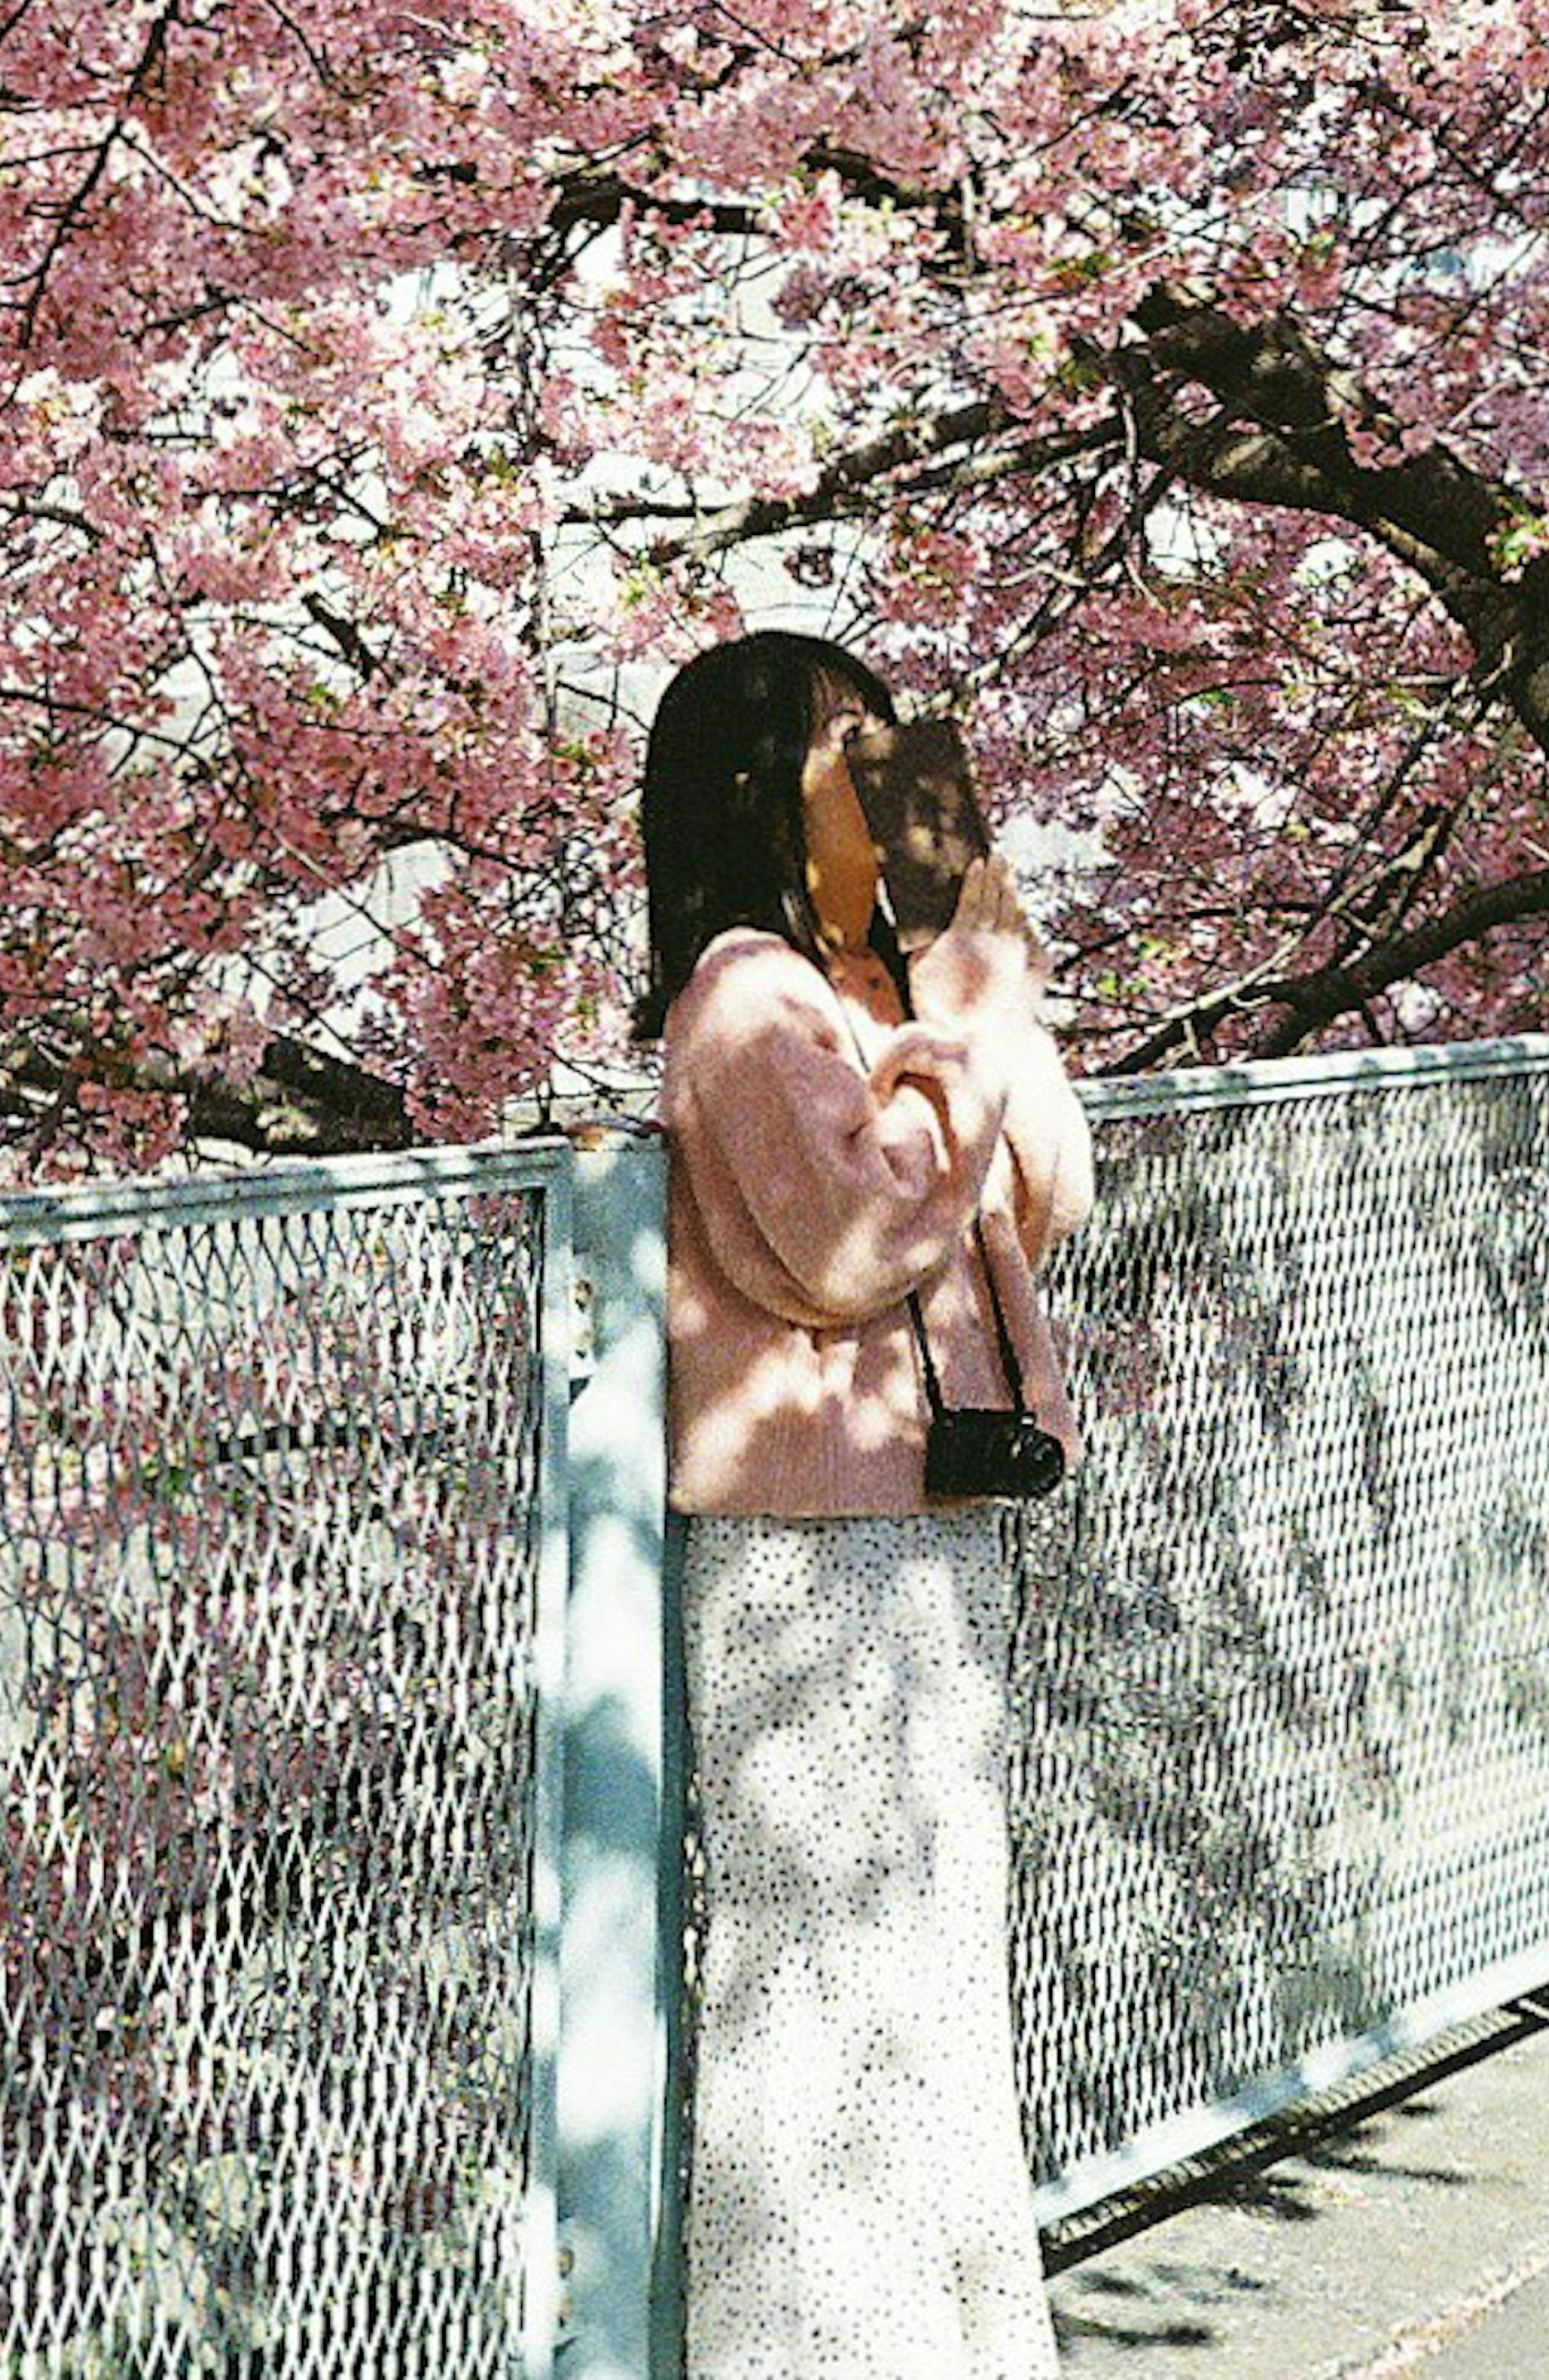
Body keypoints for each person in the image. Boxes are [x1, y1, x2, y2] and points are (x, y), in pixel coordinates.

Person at [642, 627, 1094, 2380]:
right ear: (766, 784)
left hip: (930, 1513)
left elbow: (1035, 1189)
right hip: (807, 1544)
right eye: (853, 743)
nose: (892, 764)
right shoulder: (747, 993)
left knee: (928, 1952)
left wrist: (974, 981)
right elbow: (853, 1235)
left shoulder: (876, 988)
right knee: (824, 1979)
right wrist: (949, 1027)